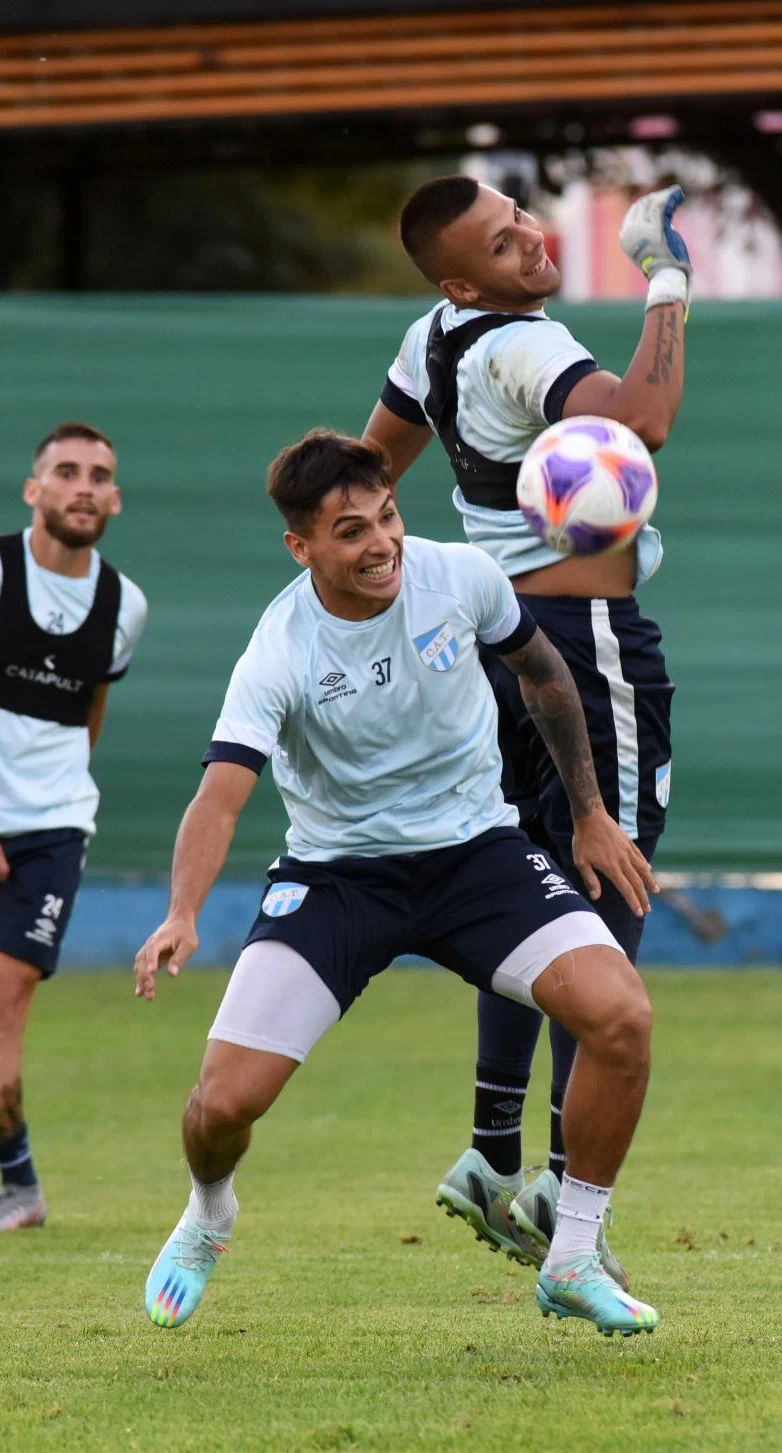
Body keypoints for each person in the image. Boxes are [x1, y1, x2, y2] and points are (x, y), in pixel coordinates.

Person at [136, 428, 661, 1337]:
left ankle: (573, 1253)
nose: (381, 543)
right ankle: (209, 1212)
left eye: (386, 516)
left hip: (476, 855)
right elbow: (220, 797)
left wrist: (587, 812)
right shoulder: (279, 650)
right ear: (301, 547)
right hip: (339, 877)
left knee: (622, 1015)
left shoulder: (460, 576)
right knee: (220, 1105)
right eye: (349, 531)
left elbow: (545, 676)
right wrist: (183, 912)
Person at [362, 176, 690, 1277]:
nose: (532, 245)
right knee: (605, 892)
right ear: (464, 280)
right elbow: (640, 425)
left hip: (497, 647)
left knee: (531, 892)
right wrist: (665, 278)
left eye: (523, 222)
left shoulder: (433, 334)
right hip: (585, 647)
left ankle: (490, 1152)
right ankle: (561, 1188)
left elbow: (374, 469)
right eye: (503, 245)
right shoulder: (518, 348)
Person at [0, 421, 147, 1237]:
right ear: (33, 489)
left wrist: (47, 804)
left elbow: (89, 722)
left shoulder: (124, 605)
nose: (84, 486)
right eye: (66, 471)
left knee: (2, 1007)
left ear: (114, 498)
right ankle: (24, 1186)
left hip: (50, 832)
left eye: (99, 475)